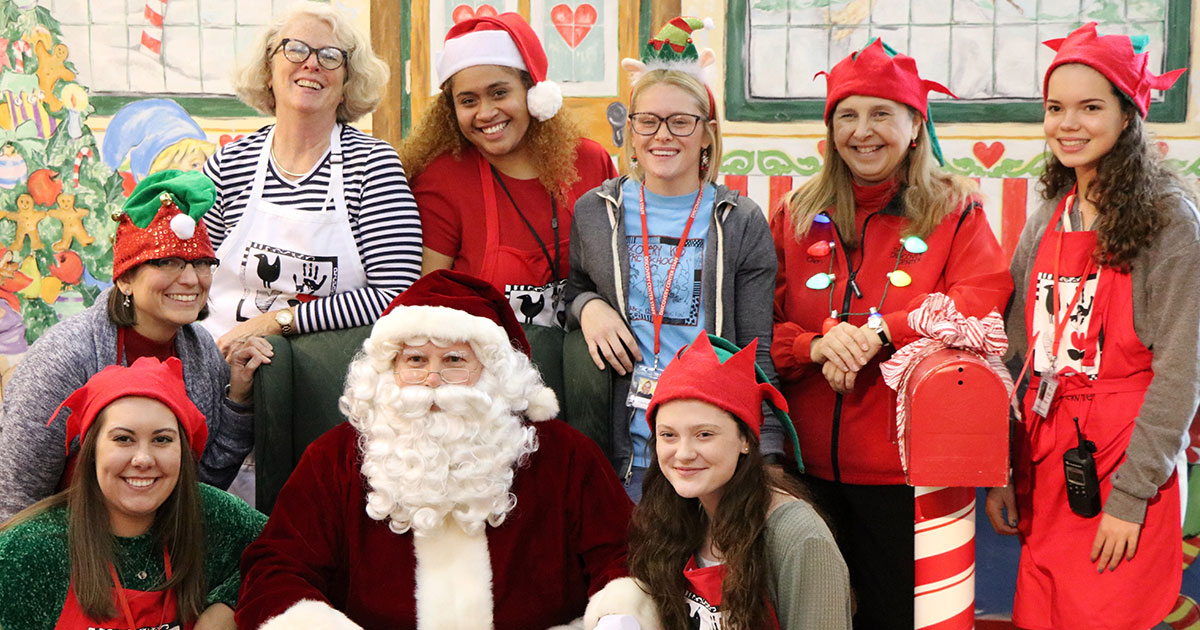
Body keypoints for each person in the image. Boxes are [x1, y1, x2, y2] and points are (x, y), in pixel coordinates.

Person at [236, 270, 637, 629]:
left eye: (454, 360)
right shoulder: (335, 458)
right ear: (389, 370)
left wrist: (618, 617)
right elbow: (277, 570)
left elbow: (625, 556)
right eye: (414, 359)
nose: (432, 380)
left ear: (495, 374)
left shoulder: (563, 455)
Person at [770, 39, 1012, 629]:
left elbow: (978, 308)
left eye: (881, 113)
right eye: (847, 116)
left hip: (909, 479)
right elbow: (757, 324)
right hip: (802, 474)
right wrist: (816, 346)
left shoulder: (957, 211)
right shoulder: (795, 214)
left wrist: (882, 331)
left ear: (914, 123)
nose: (863, 131)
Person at [984, 23, 1199, 630]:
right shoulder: (1047, 217)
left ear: (1129, 117)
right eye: (1056, 108)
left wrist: (1132, 498)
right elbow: (1016, 353)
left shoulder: (1170, 222)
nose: (1067, 124)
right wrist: (1003, 466)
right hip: (1047, 460)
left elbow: (1181, 374)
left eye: (1090, 107)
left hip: (1128, 464)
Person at [567, 19, 784, 498]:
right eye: (648, 120)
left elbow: (756, 350)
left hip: (708, 454)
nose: (662, 135)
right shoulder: (595, 212)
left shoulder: (740, 221)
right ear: (630, 129)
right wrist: (589, 307)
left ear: (706, 133)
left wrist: (767, 458)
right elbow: (573, 288)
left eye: (680, 121)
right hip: (628, 449)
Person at [0, 170, 269, 522]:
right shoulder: (66, 357)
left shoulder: (201, 352)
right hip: (66, 553)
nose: (190, 279)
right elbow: (16, 498)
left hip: (162, 555)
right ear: (126, 277)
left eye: (201, 263)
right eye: (167, 262)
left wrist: (237, 400)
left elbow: (202, 484)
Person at [585, 332, 851, 630]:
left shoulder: (798, 536)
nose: (683, 454)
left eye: (704, 434)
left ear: (745, 441)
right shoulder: (674, 514)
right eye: (668, 435)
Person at [202, 0, 421, 350]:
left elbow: (397, 295)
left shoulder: (372, 166)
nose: (312, 63)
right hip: (220, 357)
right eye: (295, 49)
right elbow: (192, 274)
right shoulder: (229, 163)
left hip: (324, 379)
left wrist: (278, 321)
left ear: (348, 81)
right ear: (267, 70)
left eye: (331, 56)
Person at [0, 357, 267, 630]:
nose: (143, 459)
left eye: (161, 440)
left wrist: (225, 607)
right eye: (123, 439)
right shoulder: (27, 552)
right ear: (91, 452)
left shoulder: (209, 514)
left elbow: (289, 554)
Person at [401, 12, 616, 329]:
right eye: (468, 100)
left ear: (532, 92)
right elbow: (425, 306)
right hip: (482, 365)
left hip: (578, 358)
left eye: (499, 92)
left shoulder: (588, 160)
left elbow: (618, 272)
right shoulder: (442, 178)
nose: (486, 113)